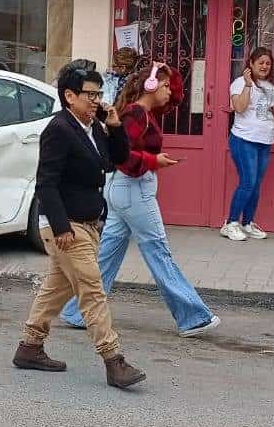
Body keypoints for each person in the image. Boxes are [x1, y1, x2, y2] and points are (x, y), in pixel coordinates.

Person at [59, 57, 220, 338]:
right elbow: (122, 157)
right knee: (158, 251)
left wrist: (153, 161)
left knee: (107, 256)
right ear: (150, 84)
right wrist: (153, 160)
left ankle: (76, 311)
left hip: (125, 190)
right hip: (133, 190)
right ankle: (192, 316)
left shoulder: (140, 113)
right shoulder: (136, 114)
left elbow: (173, 101)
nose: (170, 92)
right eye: (166, 85)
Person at [13, 60, 147, 390]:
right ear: (69, 96)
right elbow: (45, 184)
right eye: (90, 94)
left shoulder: (91, 128)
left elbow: (115, 160)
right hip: (65, 226)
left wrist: (114, 125)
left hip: (87, 223)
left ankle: (29, 346)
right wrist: (61, 229)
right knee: (92, 290)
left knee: (57, 288)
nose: (96, 100)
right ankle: (113, 360)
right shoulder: (58, 130)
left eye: (100, 93)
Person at [222, 47, 274, 242]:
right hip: (244, 139)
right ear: (250, 64)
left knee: (256, 185)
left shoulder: (269, 87)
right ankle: (231, 223)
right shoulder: (239, 83)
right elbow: (240, 107)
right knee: (247, 182)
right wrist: (247, 84)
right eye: (260, 62)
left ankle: (248, 223)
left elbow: (270, 113)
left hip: (265, 140)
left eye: (268, 63)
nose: (264, 66)